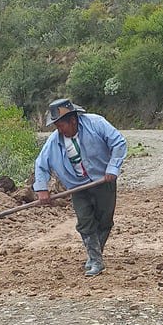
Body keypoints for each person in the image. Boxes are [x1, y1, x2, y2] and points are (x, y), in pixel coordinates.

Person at [33, 97, 127, 277]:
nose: (59, 130)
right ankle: (96, 260)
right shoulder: (54, 141)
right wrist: (42, 189)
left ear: (73, 121)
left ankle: (94, 255)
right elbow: (41, 164)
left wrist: (112, 168)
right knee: (85, 222)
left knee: (104, 221)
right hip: (77, 186)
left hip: (103, 180)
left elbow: (119, 143)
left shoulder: (96, 124)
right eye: (56, 126)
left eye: (61, 125)